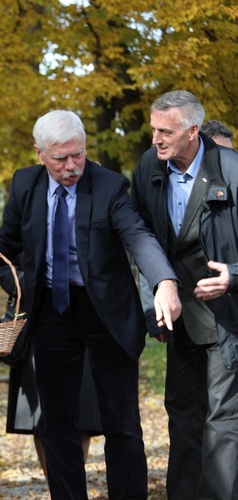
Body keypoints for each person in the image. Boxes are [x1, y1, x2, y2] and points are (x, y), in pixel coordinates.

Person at [0, 109, 181, 499]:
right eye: (60, 158)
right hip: (51, 314)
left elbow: (138, 237)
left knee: (122, 426)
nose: (71, 166)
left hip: (106, 313)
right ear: (40, 154)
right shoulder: (25, 184)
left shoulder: (111, 186)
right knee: (56, 424)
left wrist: (163, 280)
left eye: (77, 154)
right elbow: (7, 240)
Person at [130, 90, 238, 499]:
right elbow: (137, 230)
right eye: (153, 129)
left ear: (193, 131)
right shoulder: (148, 166)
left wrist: (234, 275)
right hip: (177, 319)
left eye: (165, 132)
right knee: (182, 417)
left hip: (228, 317)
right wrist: (156, 289)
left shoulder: (231, 169)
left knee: (223, 422)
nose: (155, 138)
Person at [0, 262, 102, 480]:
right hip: (35, 322)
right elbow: (2, 263)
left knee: (82, 414)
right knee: (40, 420)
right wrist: (30, 285)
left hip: (85, 317)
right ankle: (57, 490)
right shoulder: (20, 226)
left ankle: (73, 488)